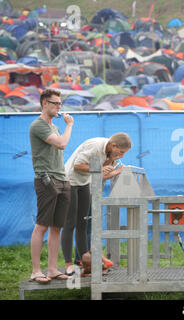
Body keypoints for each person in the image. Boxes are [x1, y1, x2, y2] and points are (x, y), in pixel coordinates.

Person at [61, 133, 132, 276]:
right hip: (70, 181)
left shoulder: (109, 152)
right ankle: (69, 264)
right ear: (114, 145)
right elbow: (78, 165)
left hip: (85, 183)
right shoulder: (95, 147)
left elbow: (98, 172)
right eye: (121, 152)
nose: (122, 156)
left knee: (83, 224)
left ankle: (85, 263)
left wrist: (111, 161)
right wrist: (100, 169)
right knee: (70, 224)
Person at [29, 89, 74, 283]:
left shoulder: (53, 126)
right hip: (46, 180)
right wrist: (70, 125)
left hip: (61, 179)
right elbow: (62, 144)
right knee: (42, 226)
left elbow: (57, 154)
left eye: (60, 104)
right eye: (55, 103)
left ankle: (53, 269)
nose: (58, 107)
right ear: (44, 103)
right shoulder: (38, 125)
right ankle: (36, 271)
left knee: (57, 227)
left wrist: (65, 176)